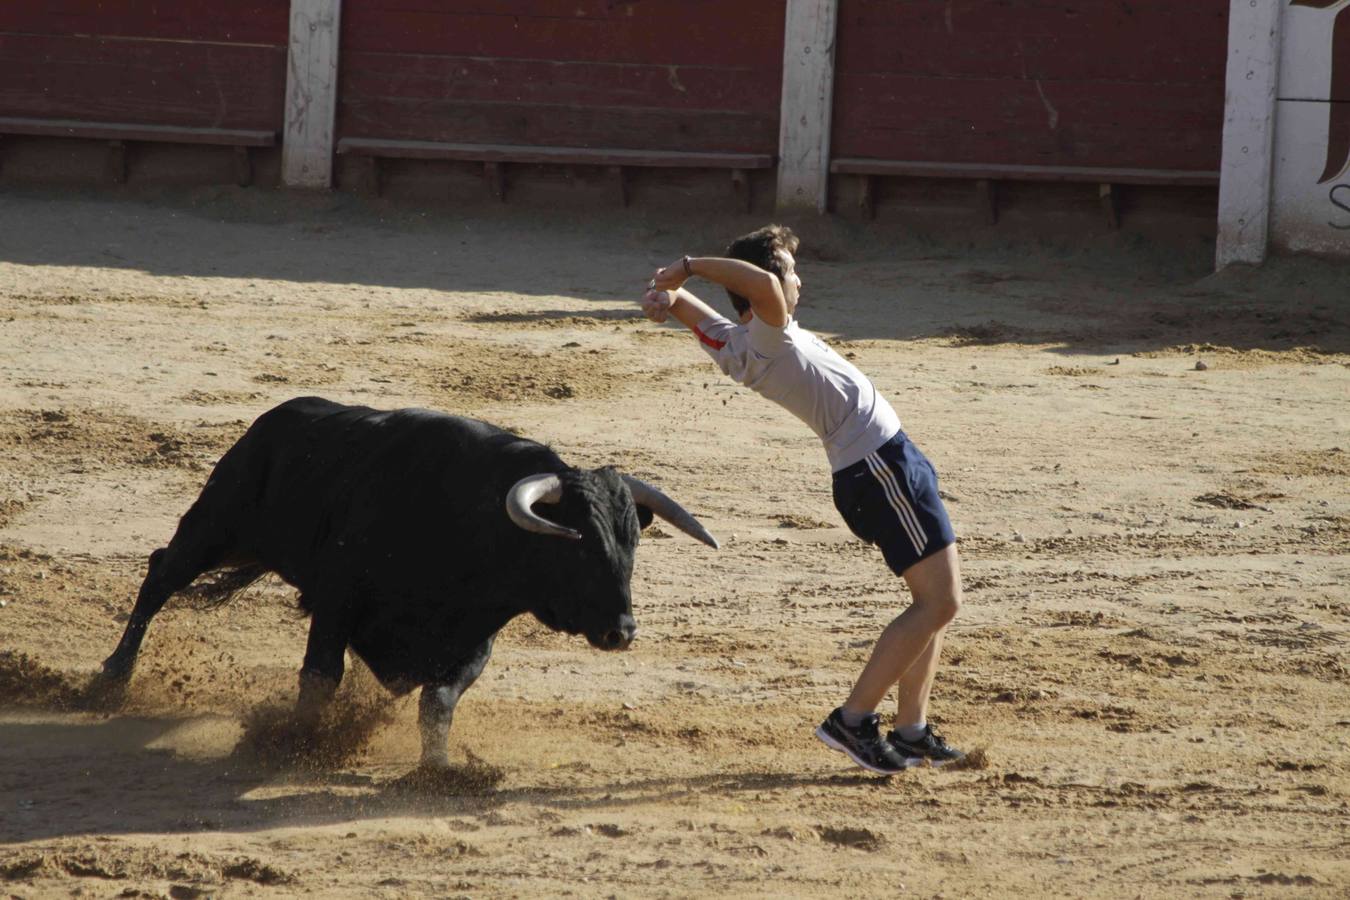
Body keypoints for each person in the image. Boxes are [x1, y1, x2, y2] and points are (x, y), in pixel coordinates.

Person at [640, 225, 965, 775]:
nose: (797, 279)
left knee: (932, 604)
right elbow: (761, 286)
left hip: (879, 465)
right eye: (791, 270)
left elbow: (702, 313)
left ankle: (910, 730)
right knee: (940, 603)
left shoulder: (740, 342)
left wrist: (669, 298)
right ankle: (853, 720)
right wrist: (689, 265)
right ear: (763, 287)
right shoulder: (771, 335)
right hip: (881, 468)